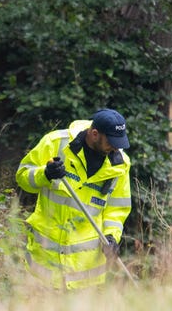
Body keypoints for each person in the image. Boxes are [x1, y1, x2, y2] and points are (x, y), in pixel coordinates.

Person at [15, 108, 132, 289]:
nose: (116, 148)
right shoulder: (56, 143)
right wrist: (45, 174)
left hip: (86, 275)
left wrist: (112, 237)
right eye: (111, 141)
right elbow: (22, 177)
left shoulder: (120, 165)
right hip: (43, 267)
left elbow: (117, 209)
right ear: (94, 134)